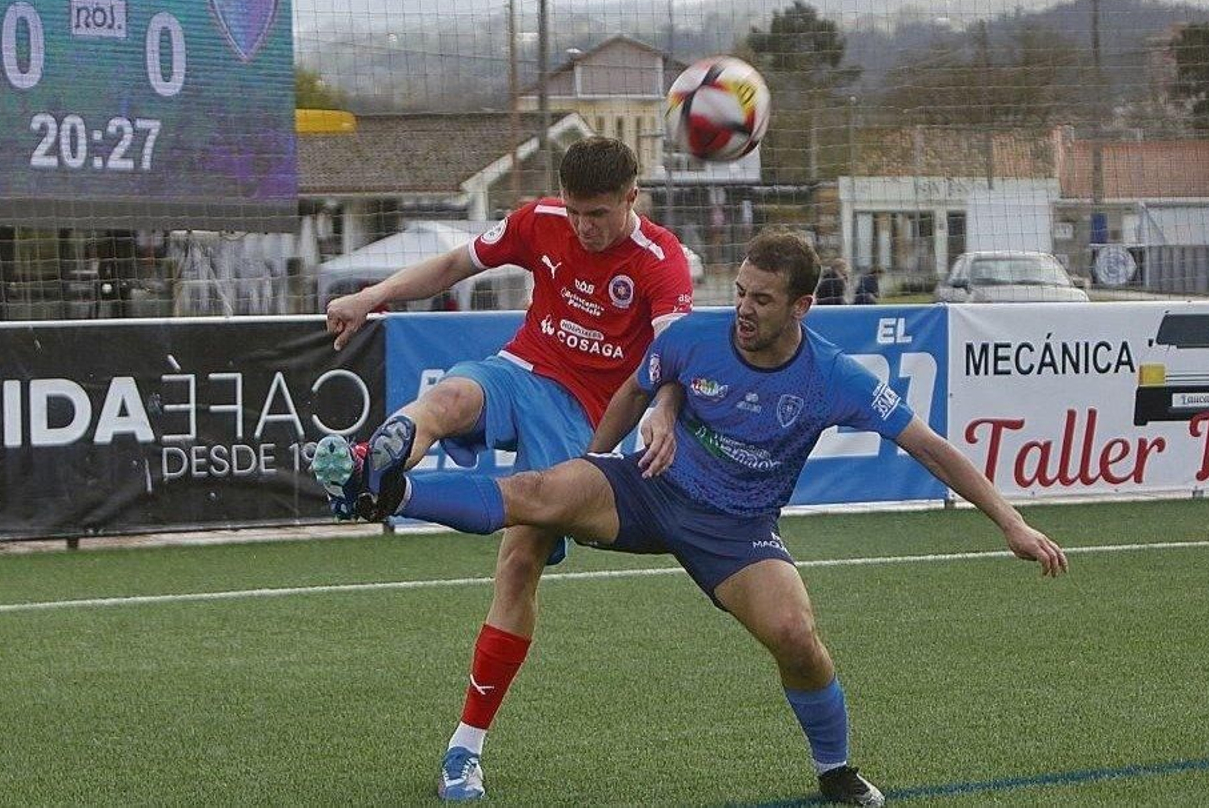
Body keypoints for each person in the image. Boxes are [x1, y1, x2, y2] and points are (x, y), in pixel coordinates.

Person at [325, 229, 1068, 805]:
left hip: (738, 529)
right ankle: (387, 494)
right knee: (538, 496)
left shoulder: (834, 375)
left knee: (796, 636)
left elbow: (931, 446)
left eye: (763, 299)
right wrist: (593, 460)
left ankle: (835, 769)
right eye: (741, 292)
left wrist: (1009, 521)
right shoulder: (694, 335)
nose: (744, 309)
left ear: (802, 307)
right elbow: (636, 389)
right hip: (648, 489)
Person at [314, 136, 695, 801]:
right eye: (576, 211)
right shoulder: (538, 220)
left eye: (598, 214)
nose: (583, 226)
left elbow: (669, 356)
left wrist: (663, 409)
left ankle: (465, 748)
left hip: (585, 421)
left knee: (520, 561)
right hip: (519, 368)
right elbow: (452, 265)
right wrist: (369, 296)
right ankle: (369, 472)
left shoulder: (663, 262)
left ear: (632, 198)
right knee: (448, 398)